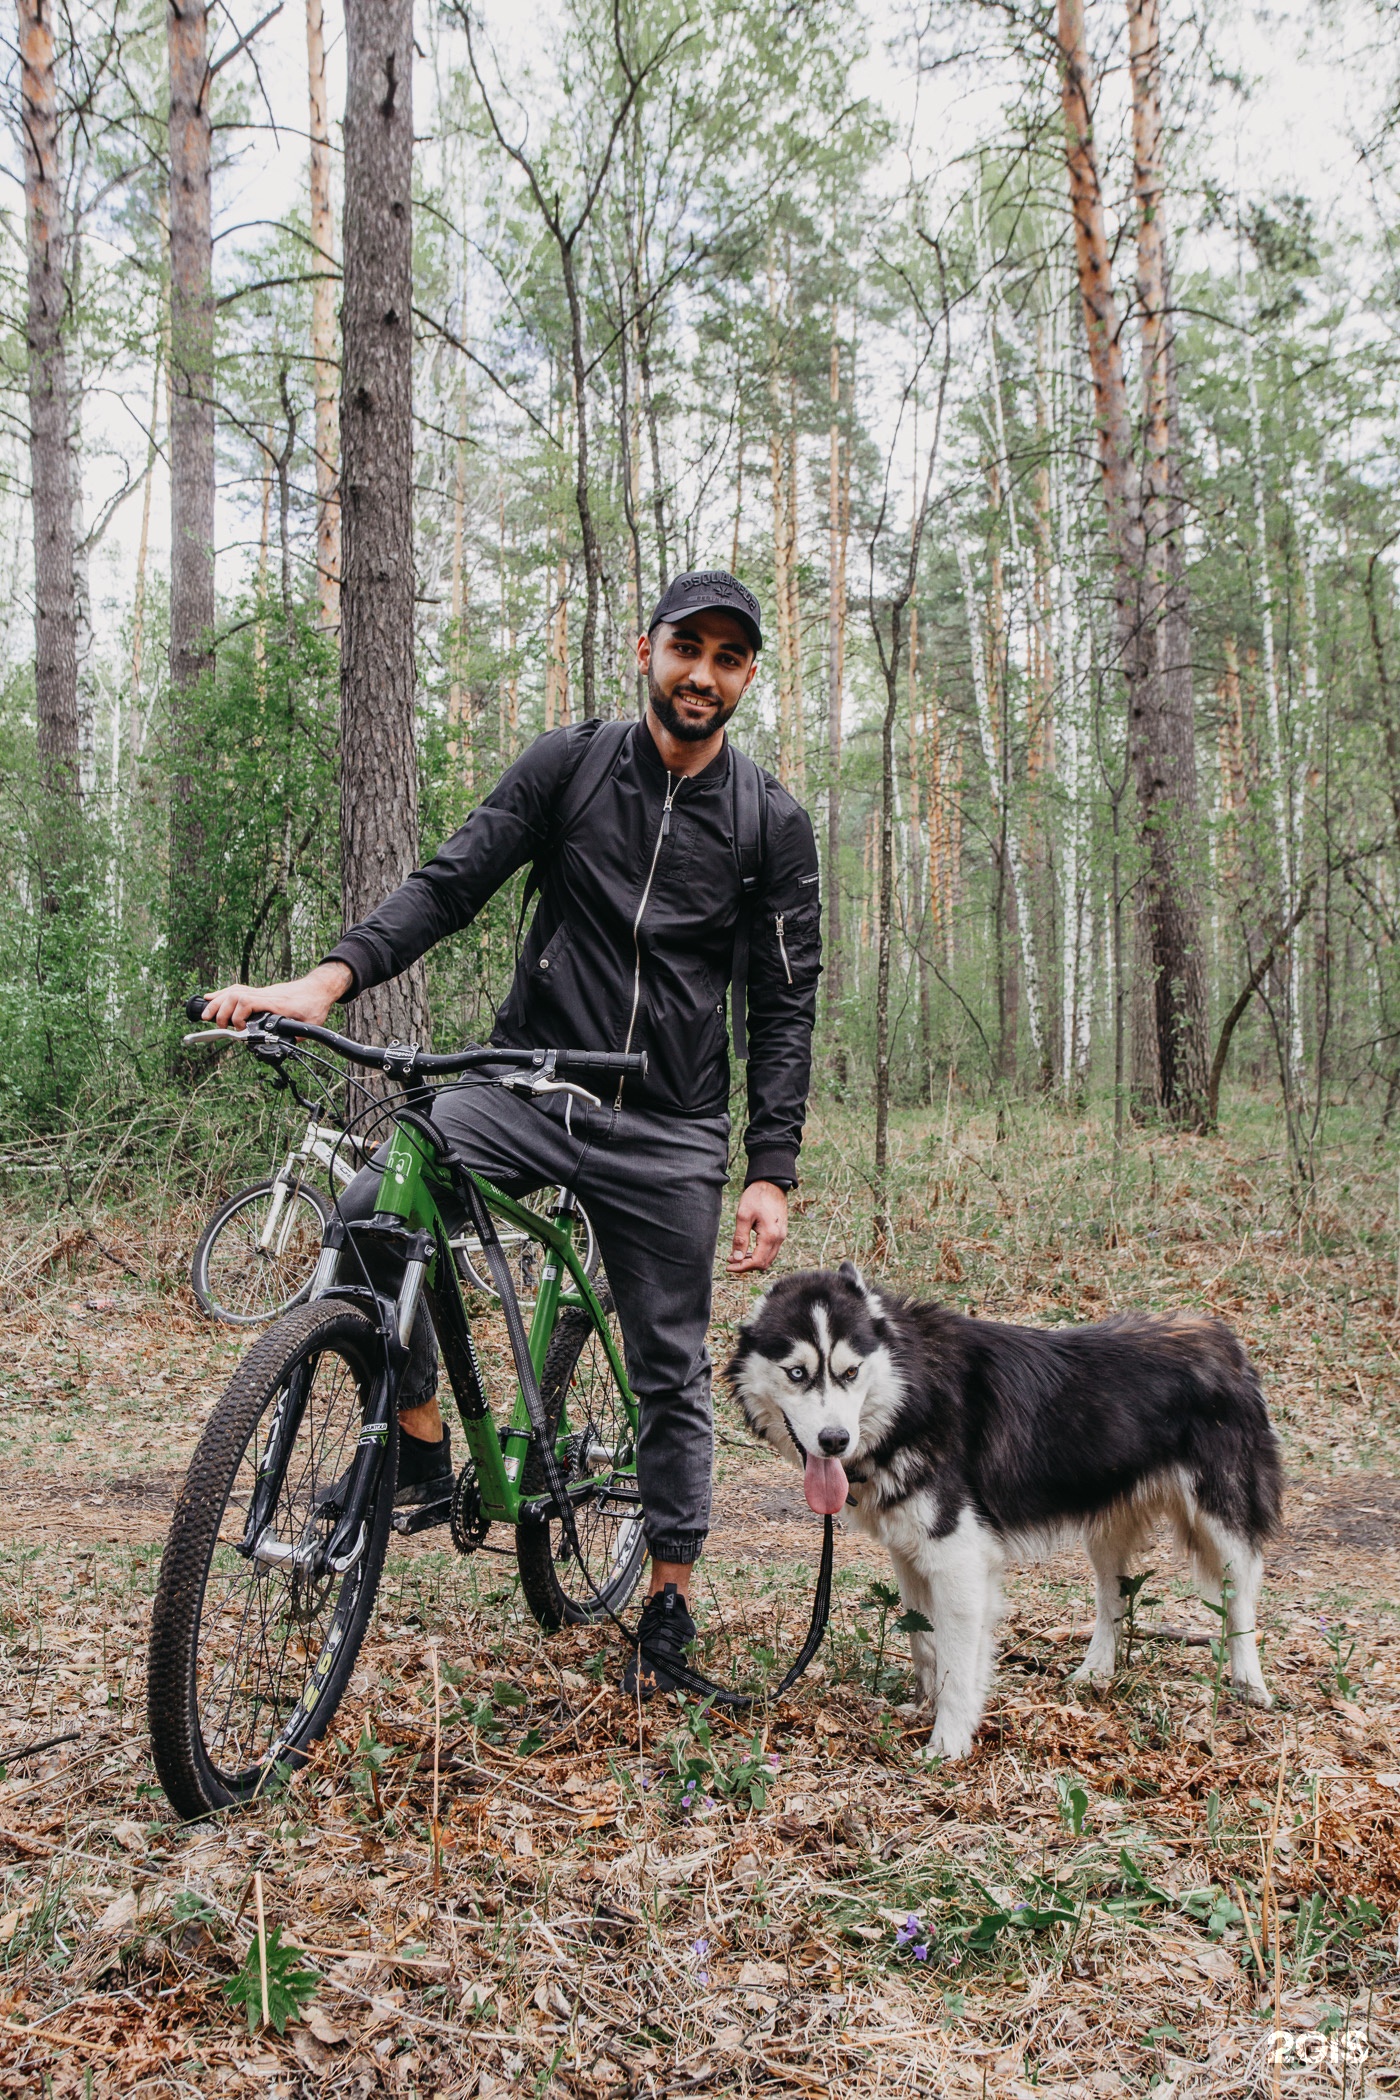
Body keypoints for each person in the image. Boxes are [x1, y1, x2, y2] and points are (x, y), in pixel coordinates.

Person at [199, 570, 821, 1693]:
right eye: (689, 647)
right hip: (522, 1086)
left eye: (729, 658)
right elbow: (450, 884)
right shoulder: (568, 767)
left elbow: (781, 1007)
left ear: (747, 678)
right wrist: (326, 981)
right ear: (646, 648)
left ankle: (669, 1603)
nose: (703, 675)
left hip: (669, 1126)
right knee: (372, 1209)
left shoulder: (769, 822)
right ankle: (428, 1443)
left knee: (669, 1366)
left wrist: (767, 1169)